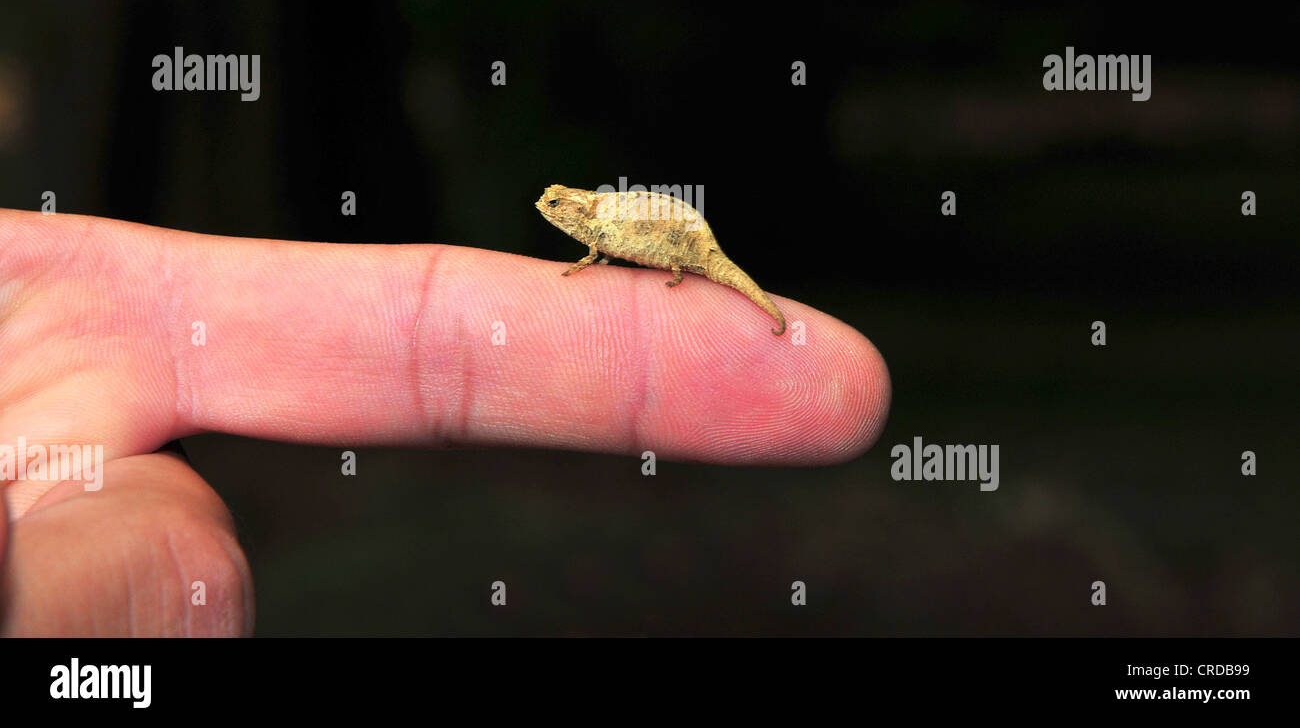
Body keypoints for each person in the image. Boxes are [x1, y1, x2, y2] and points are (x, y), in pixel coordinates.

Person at [0, 209, 890, 635]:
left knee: (723, 278)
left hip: (671, 244)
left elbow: (649, 243)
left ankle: (757, 307)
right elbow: (596, 247)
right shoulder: (589, 229)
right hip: (648, 243)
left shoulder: (612, 229)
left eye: (563, 214)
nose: (556, 218)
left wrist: (680, 269)